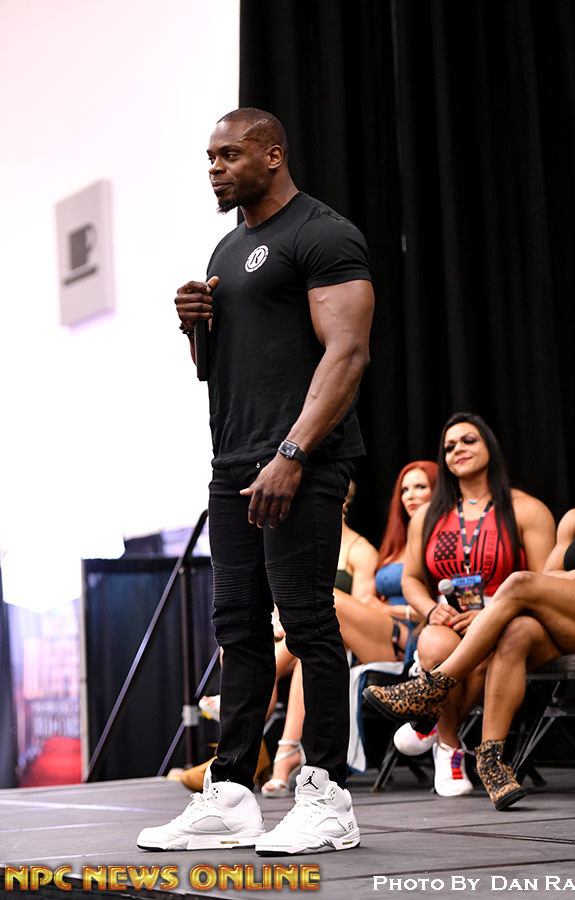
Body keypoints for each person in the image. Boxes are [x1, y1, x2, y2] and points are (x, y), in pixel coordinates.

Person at [137, 108, 374, 855]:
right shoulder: (228, 246)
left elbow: (347, 353)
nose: (215, 168)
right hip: (235, 464)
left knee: (307, 624)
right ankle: (232, 794)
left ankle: (327, 795)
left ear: (273, 155)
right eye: (209, 158)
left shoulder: (324, 234)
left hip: (301, 462)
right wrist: (194, 327)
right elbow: (217, 371)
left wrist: (294, 453)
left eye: (229, 155)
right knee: (238, 630)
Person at [365, 412, 575, 810]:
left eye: (468, 440)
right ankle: (489, 760)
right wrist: (431, 610)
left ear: (490, 445)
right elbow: (553, 577)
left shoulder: (526, 509)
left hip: (521, 612)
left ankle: (429, 692)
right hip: (485, 619)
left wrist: (498, 607)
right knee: (504, 632)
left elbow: (537, 582)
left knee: (518, 590)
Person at [261, 462, 438, 794]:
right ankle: (280, 750)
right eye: (404, 489)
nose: (410, 495)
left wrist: (386, 608)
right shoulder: (398, 541)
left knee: (326, 603)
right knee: (307, 644)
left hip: (413, 637)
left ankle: (254, 680)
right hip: (374, 632)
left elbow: (442, 604)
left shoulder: (439, 541)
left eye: (420, 487)